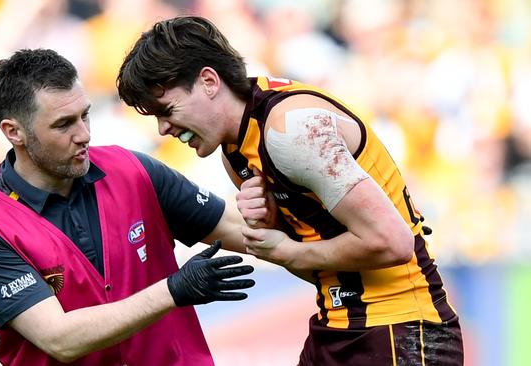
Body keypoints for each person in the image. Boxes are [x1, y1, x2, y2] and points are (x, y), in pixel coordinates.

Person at [117, 16, 463, 365]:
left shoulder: (292, 131)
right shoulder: (236, 150)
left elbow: (393, 242)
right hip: (338, 326)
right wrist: (274, 230)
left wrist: (289, 251)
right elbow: (318, 267)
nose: (163, 129)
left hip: (402, 329)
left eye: (167, 110)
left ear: (208, 80)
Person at [0, 48, 256, 366]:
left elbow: (242, 230)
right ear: (14, 132)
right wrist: (173, 290)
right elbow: (59, 339)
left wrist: (284, 203)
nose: (84, 135)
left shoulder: (133, 169)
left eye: (85, 115)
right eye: (63, 124)